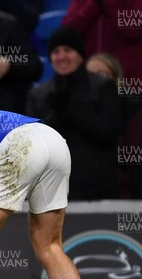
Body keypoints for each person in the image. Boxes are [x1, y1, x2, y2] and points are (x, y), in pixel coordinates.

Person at [26, 26, 123, 200]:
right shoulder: (39, 94)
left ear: (80, 54)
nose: (62, 56)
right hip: (52, 192)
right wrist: (54, 116)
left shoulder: (102, 87)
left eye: (68, 50)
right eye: (56, 51)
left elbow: (109, 132)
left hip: (97, 191)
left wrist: (70, 111)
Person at [86, 52, 142, 199]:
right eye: (89, 75)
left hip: (125, 188)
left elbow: (134, 154)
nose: (95, 81)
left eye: (102, 75)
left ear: (117, 79)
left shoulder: (131, 108)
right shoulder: (77, 109)